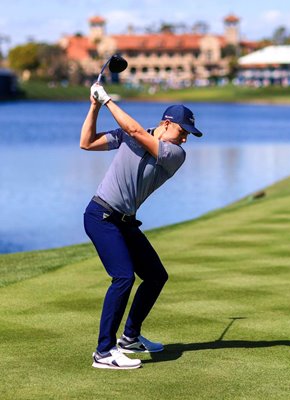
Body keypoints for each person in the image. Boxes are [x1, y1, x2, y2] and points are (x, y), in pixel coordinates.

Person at [81, 83, 203, 370]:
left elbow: (135, 131)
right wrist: (95, 106)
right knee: (123, 277)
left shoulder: (175, 155)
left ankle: (129, 338)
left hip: (124, 221)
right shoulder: (129, 134)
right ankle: (103, 352)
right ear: (166, 124)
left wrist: (107, 99)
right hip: (100, 215)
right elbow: (86, 143)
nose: (185, 140)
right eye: (182, 132)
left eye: (188, 135)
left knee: (155, 276)